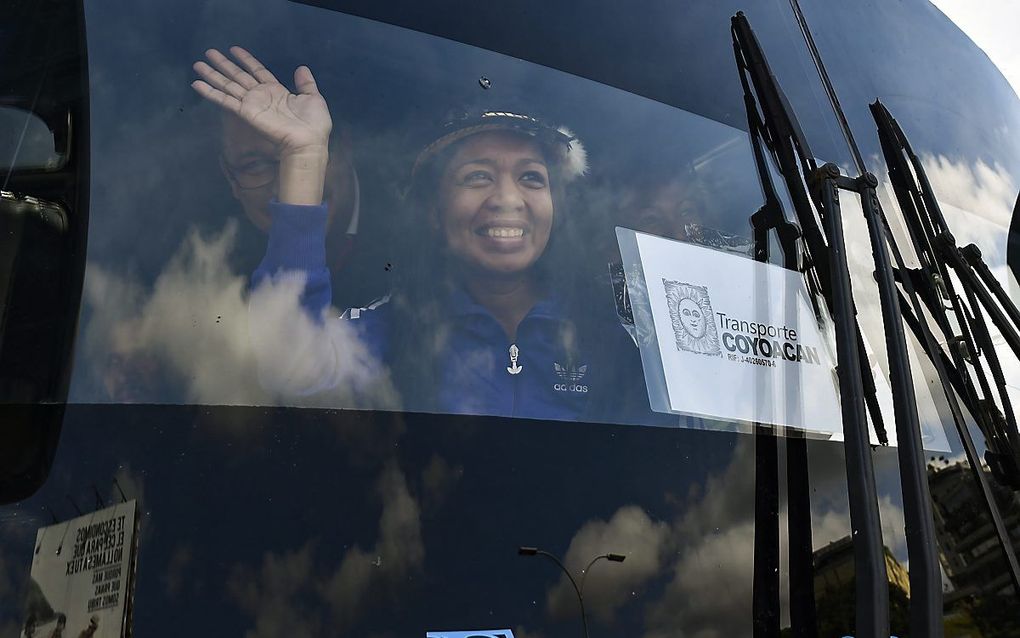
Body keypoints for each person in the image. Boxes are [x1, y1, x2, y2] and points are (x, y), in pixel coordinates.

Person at [192, 47, 666, 424]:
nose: (507, 198)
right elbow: (288, 365)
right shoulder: (397, 331)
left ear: (556, 210)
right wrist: (302, 157)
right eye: (477, 176)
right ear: (435, 214)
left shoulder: (611, 341)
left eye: (531, 178)